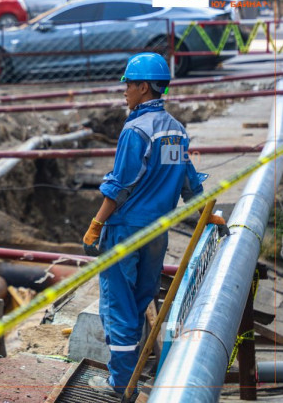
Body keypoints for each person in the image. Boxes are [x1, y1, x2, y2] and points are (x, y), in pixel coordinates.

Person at [81, 53, 226, 397]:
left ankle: (121, 385)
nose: (125, 92)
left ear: (144, 87)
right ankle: (135, 375)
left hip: (126, 230)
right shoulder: (174, 132)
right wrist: (207, 212)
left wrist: (96, 223)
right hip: (156, 234)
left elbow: (122, 184)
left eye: (128, 85)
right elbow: (188, 181)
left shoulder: (135, 131)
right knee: (140, 299)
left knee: (118, 307)